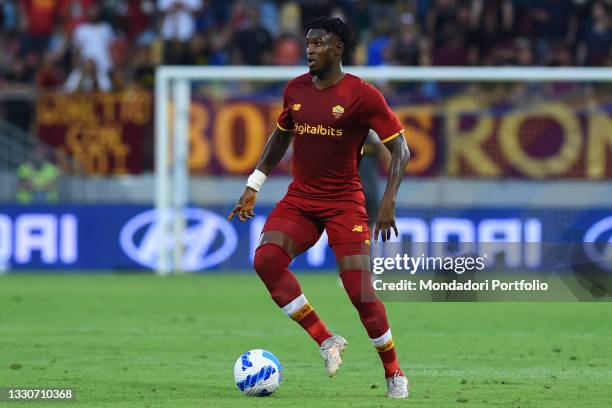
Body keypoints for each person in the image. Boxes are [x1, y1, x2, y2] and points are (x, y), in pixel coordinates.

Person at [228, 16, 411, 398]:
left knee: (360, 291)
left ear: (338, 48)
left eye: (318, 44)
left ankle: (394, 373)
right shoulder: (295, 89)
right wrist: (253, 184)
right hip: (301, 199)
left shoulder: (362, 94)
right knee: (266, 260)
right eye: (307, 44)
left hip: (345, 202)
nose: (309, 50)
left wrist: (389, 200)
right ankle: (326, 340)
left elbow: (401, 148)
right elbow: (280, 138)